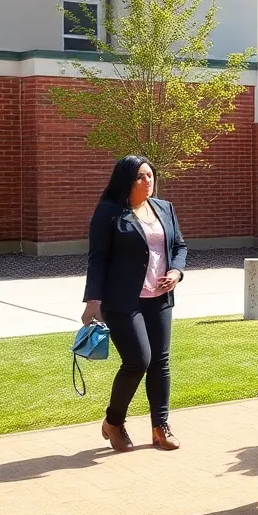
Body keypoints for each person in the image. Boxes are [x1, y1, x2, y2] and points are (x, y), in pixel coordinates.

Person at [82, 155, 188, 453]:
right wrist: (93, 299)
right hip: (123, 300)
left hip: (160, 298)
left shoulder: (164, 208)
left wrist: (176, 272)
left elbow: (179, 245)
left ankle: (160, 426)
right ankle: (114, 422)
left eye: (150, 175)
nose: (148, 181)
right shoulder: (109, 212)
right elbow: (97, 258)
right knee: (138, 361)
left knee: (161, 361)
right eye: (141, 176)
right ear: (126, 180)